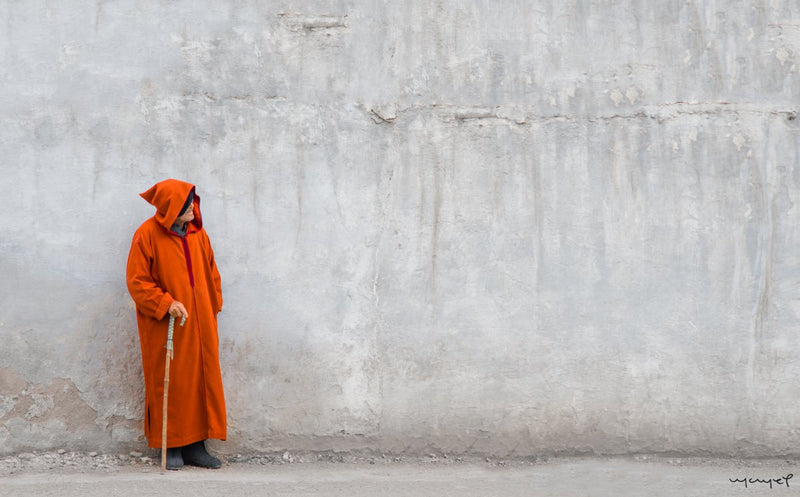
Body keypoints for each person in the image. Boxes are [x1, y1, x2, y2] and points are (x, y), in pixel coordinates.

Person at [126, 179, 226, 470]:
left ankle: (196, 445)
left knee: (200, 380)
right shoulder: (146, 235)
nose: (193, 209)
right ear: (171, 209)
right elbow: (137, 281)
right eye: (186, 205)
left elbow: (211, 272)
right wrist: (165, 303)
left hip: (200, 321)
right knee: (172, 380)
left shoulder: (198, 235)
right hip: (166, 323)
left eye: (193, 202)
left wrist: (212, 306)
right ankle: (170, 445)